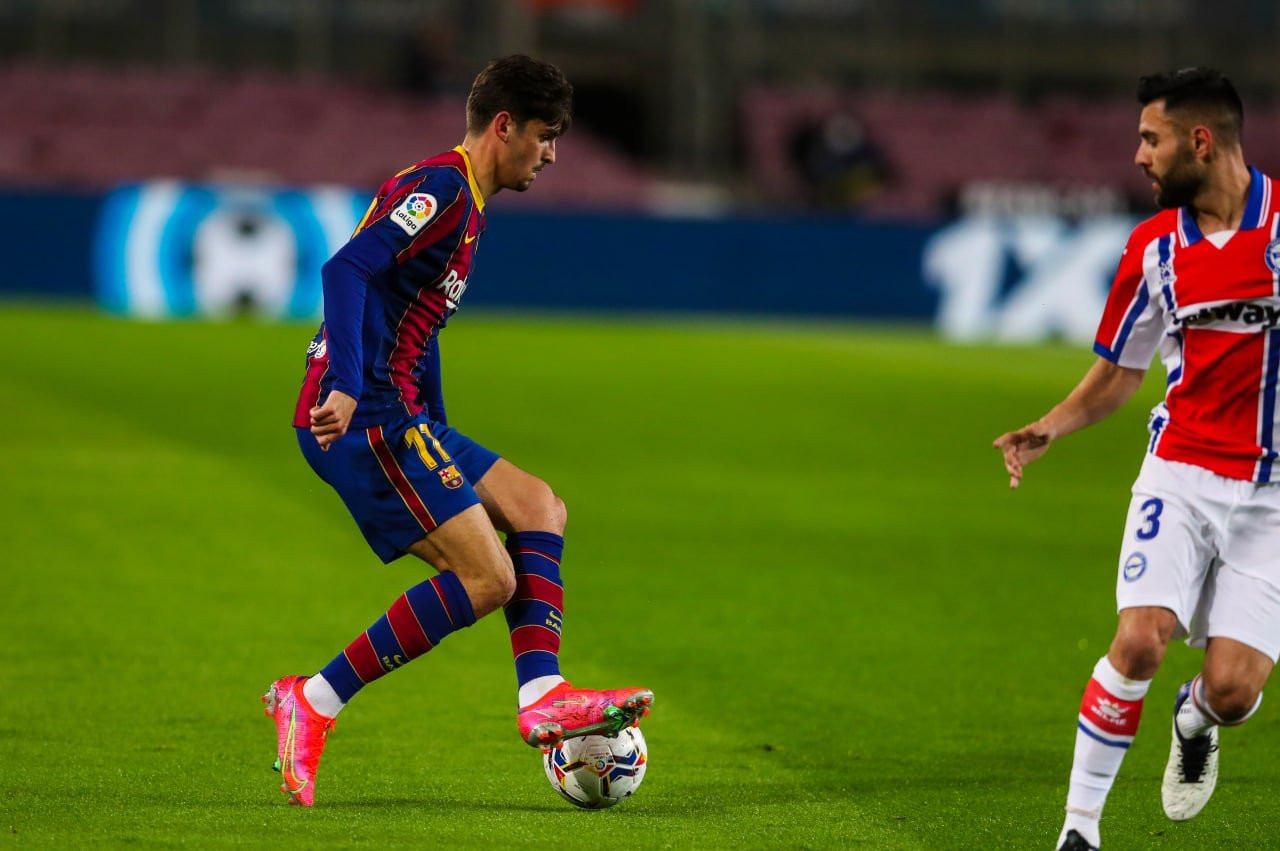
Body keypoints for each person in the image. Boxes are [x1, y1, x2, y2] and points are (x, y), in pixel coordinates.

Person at [264, 54, 653, 808]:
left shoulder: (465, 200)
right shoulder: (441, 188)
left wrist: (436, 422)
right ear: (503, 125)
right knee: (490, 578)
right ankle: (311, 700)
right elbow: (347, 271)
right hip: (362, 415)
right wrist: (346, 382)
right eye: (544, 136)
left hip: (401, 412)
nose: (551, 154)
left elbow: (418, 317)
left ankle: (543, 690)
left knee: (539, 504)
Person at [994, 67, 1277, 850]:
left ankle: (1196, 716)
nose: (1138, 156)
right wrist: (1052, 424)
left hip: (1275, 497)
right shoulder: (1154, 247)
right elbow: (1123, 369)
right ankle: (1078, 829)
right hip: (1181, 472)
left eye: (1150, 138)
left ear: (1200, 140)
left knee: (1232, 690)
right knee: (1140, 636)